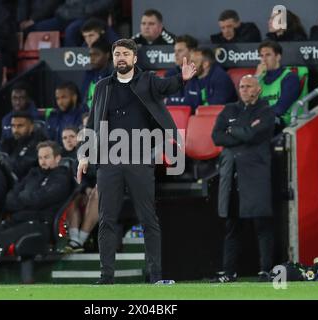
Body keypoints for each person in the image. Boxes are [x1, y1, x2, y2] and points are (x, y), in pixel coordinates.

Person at [77, 38, 196, 284]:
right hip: (108, 160)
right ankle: (106, 276)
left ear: (134, 58)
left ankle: (155, 276)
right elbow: (92, 124)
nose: (121, 57)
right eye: (117, 53)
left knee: (148, 219)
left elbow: (167, 86)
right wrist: (84, 156)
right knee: (106, 219)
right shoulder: (102, 87)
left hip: (139, 160)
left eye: (125, 54)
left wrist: (183, 79)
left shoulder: (148, 80)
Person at [0, 141, 72, 282]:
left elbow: (41, 199)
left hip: (40, 223)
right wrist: (26, 199)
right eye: (40, 158)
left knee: (3, 237)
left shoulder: (62, 178)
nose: (42, 161)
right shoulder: (33, 174)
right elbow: (10, 198)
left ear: (57, 158)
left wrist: (23, 199)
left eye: (47, 157)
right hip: (19, 220)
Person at [211, 75, 276, 283]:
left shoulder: (266, 111)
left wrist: (233, 130)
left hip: (256, 175)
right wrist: (242, 132)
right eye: (241, 86)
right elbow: (216, 136)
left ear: (258, 90)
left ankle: (266, 270)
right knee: (232, 226)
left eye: (248, 86)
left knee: (262, 225)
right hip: (231, 175)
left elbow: (253, 134)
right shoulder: (230, 109)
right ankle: (229, 272)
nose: (244, 89)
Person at [255, 40, 301, 130]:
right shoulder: (259, 78)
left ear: (278, 57)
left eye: (268, 55)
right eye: (261, 56)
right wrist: (256, 77)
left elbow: (280, 109)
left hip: (285, 123)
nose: (264, 60)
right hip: (261, 121)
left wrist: (258, 116)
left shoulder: (290, 78)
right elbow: (246, 101)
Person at [0, 111, 47, 180]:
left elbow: (24, 166)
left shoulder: (40, 143)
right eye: (13, 126)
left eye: (20, 126)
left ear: (31, 127)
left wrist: (5, 165)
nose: (15, 130)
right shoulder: (8, 142)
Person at [165, 34, 198, 105]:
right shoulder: (170, 74)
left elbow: (193, 103)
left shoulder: (198, 72)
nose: (176, 54)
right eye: (175, 51)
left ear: (192, 51)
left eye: (180, 51)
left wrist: (170, 101)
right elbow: (163, 102)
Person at [81, 39, 113, 110]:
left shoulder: (114, 75)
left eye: (96, 55)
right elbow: (85, 101)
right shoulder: (89, 74)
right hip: (90, 117)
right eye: (90, 55)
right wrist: (84, 115)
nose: (92, 58)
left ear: (107, 55)